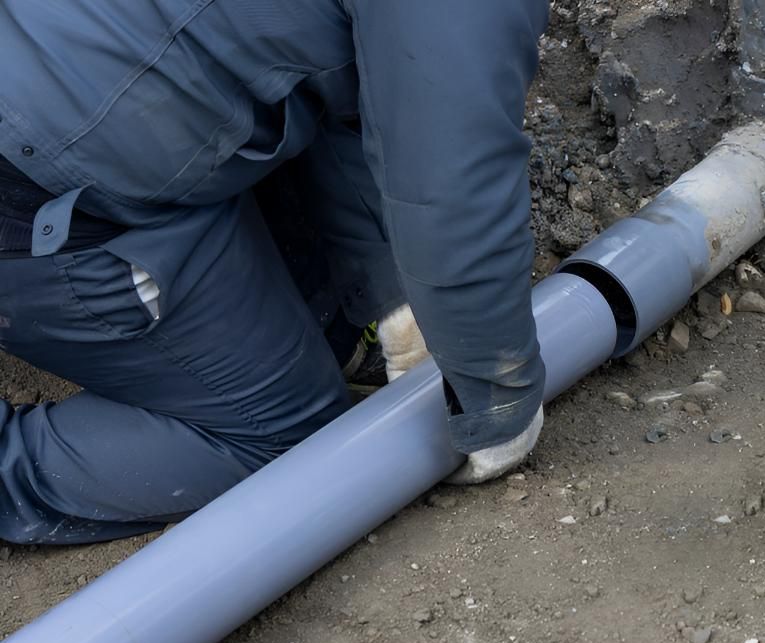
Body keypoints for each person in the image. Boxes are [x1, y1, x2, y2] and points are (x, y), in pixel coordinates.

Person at [0, 0, 549, 545]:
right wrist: (496, 397)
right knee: (284, 443)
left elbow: (371, 81)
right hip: (38, 183)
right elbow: (453, 185)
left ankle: (317, 324)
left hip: (67, 85)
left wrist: (388, 293)